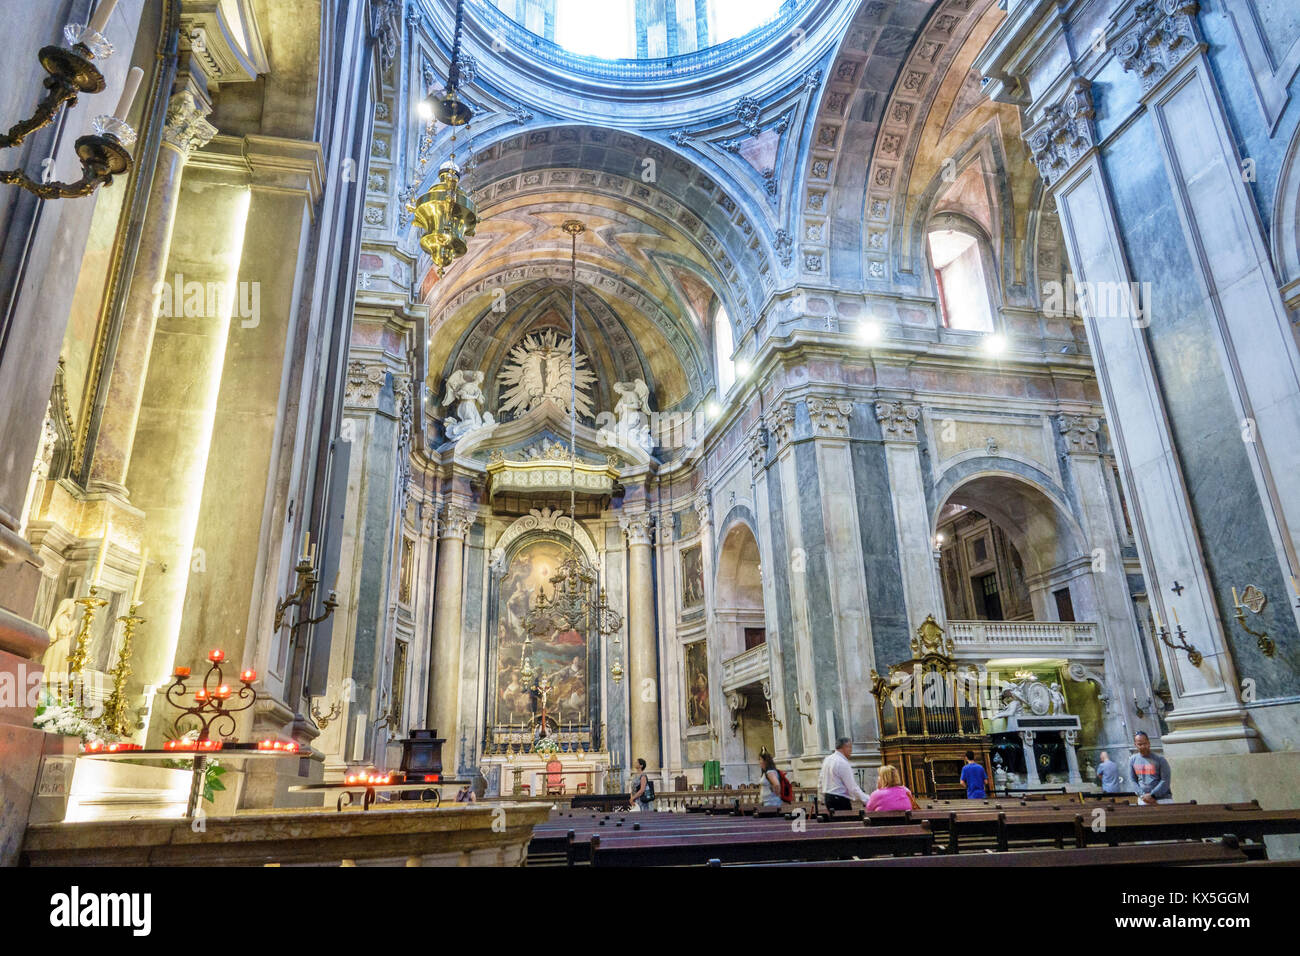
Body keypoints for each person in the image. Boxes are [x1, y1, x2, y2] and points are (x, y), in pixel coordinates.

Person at [819, 737, 871, 811]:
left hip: (828, 798)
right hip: (840, 800)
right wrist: (868, 800)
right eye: (850, 747)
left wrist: (822, 797)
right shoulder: (842, 762)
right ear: (844, 747)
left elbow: (820, 781)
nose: (851, 751)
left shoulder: (827, 760)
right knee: (847, 821)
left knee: (835, 821)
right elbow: (852, 787)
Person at [1129, 731, 1172, 804]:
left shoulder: (1160, 759)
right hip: (1143, 800)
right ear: (1135, 745)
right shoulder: (1133, 760)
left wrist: (1152, 795)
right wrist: (1142, 795)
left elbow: (1165, 780)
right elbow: (1133, 780)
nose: (1143, 746)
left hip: (1162, 799)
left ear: (1149, 743)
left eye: (1145, 743)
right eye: (1140, 744)